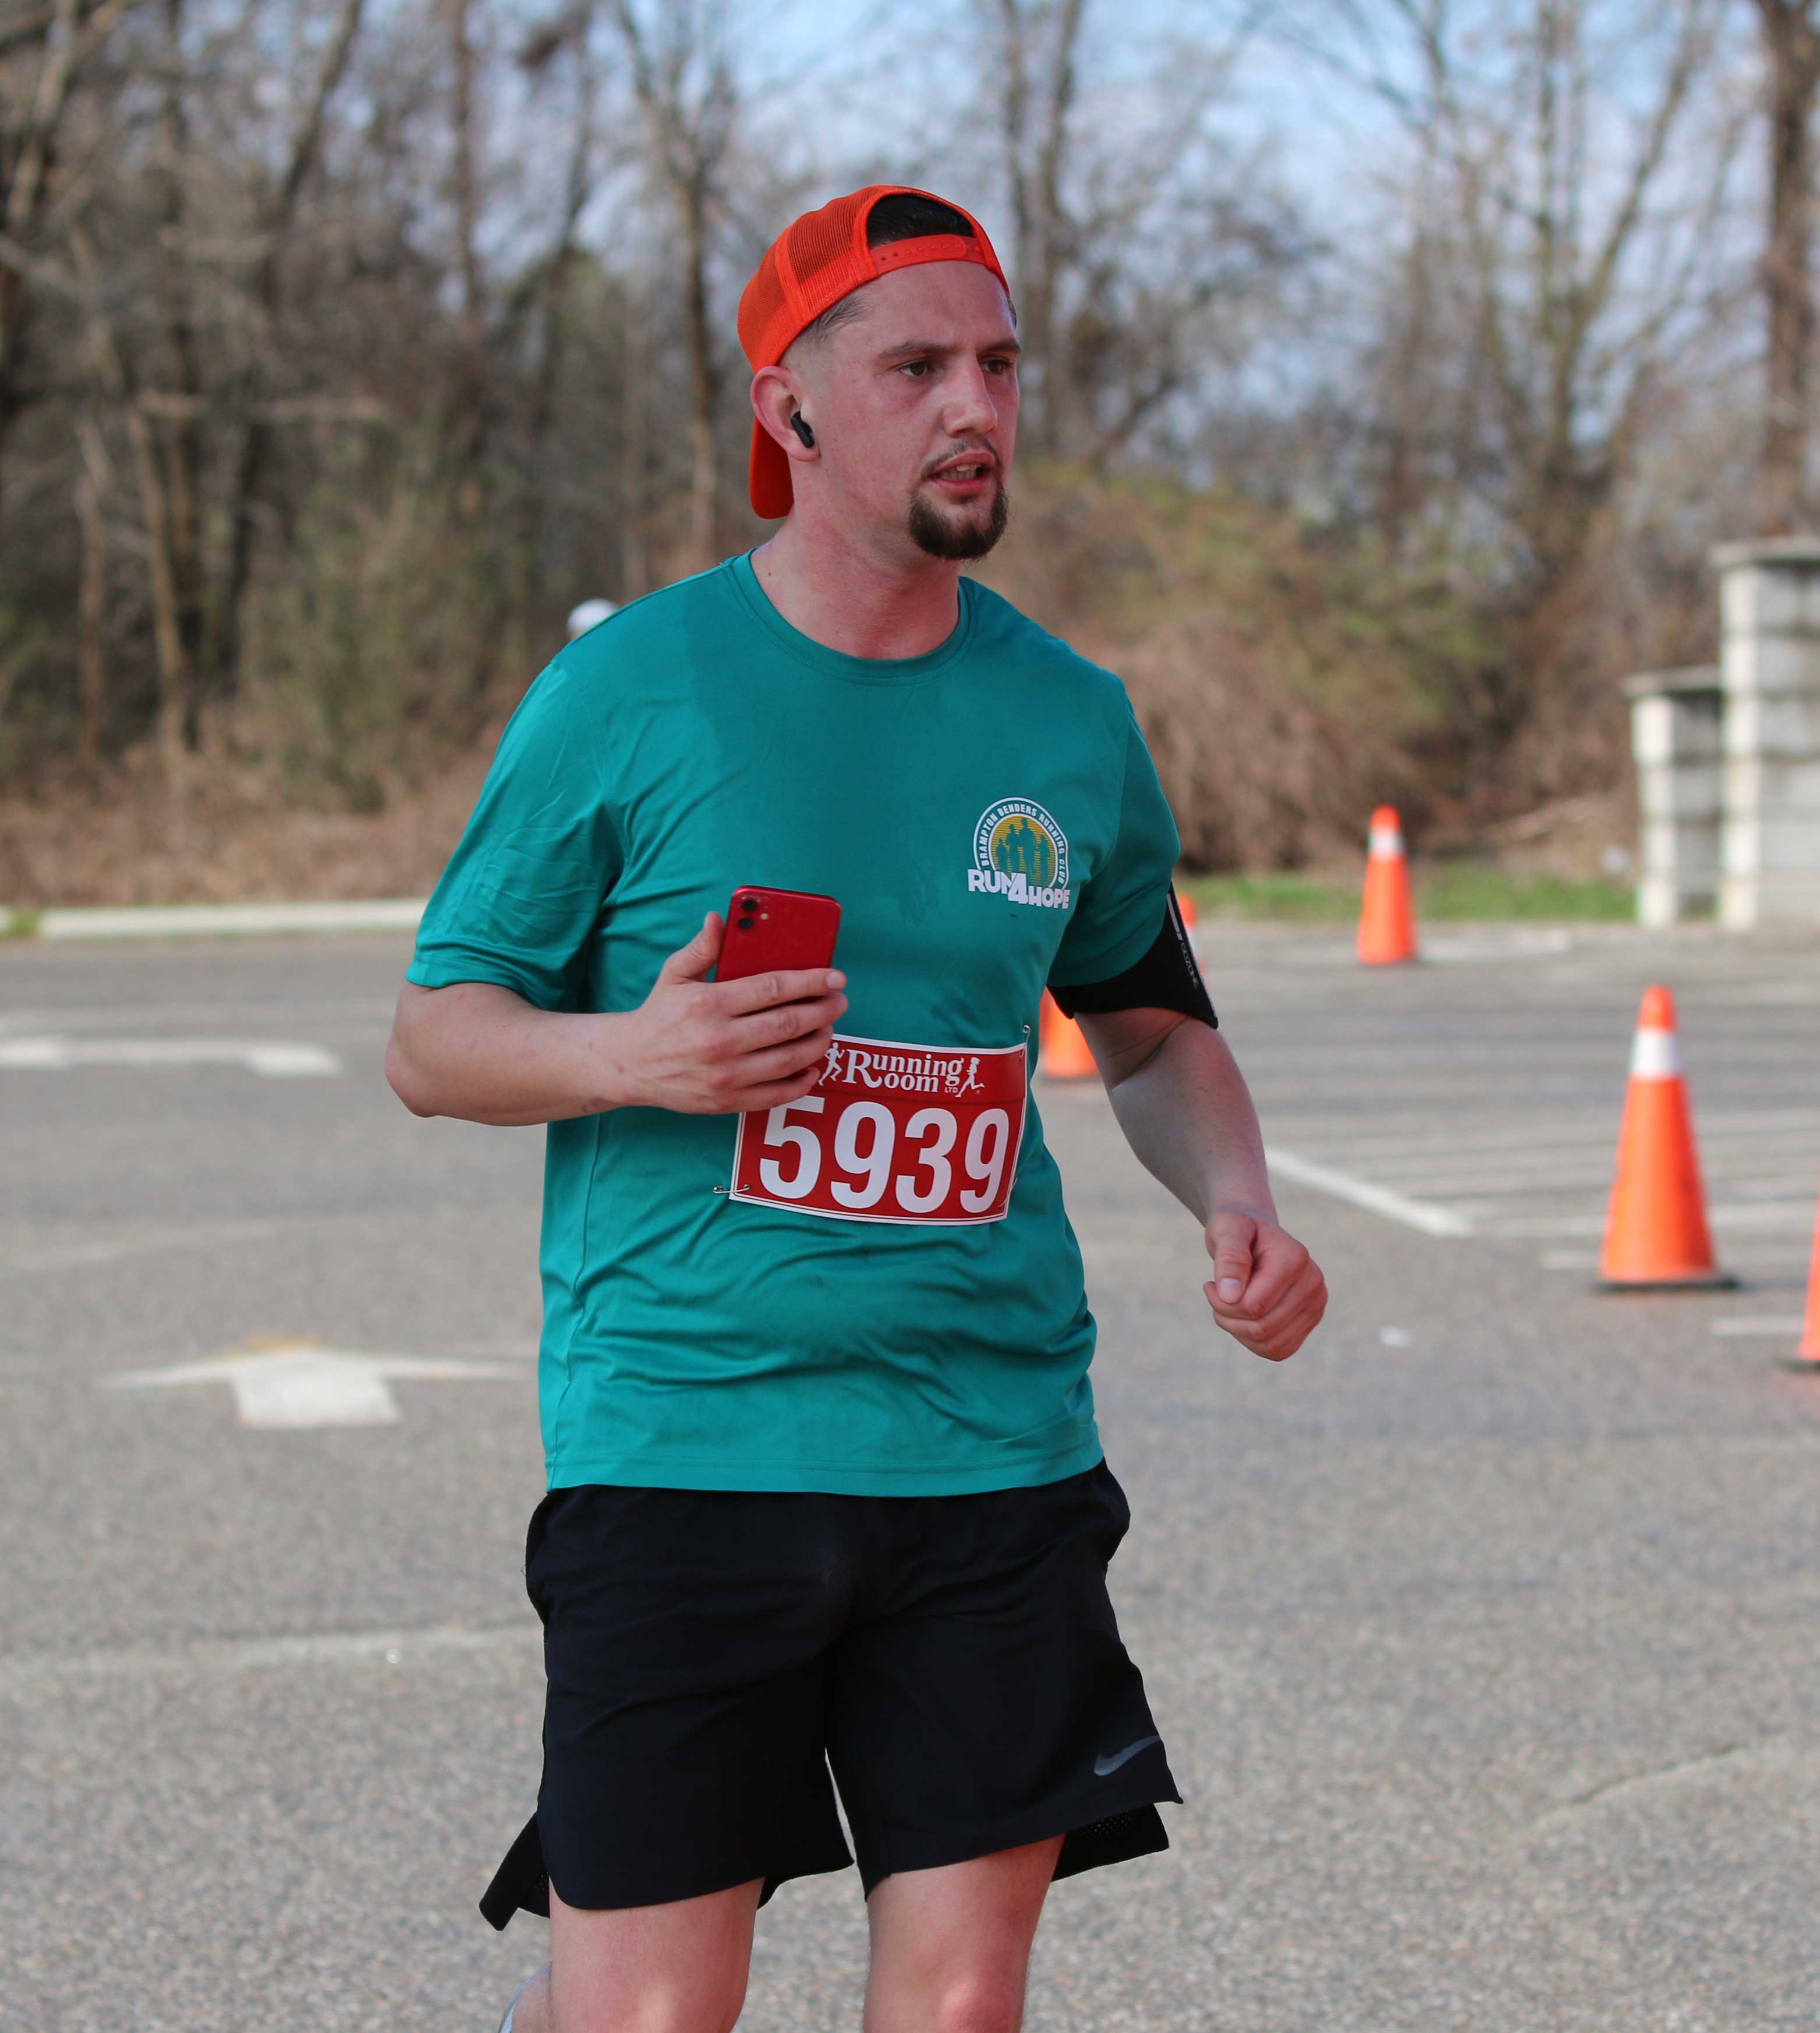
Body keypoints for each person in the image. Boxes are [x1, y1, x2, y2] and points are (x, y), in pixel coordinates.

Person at [385, 184, 1326, 2033]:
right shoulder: (627, 692)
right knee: (650, 2015)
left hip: (991, 1443)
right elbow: (435, 1037)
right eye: (917, 367)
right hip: (689, 1440)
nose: (977, 405)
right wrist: (634, 1056)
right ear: (792, 408)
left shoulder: (1069, 719)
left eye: (999, 364)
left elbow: (1148, 1030)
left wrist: (1239, 1197)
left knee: (962, 2006)